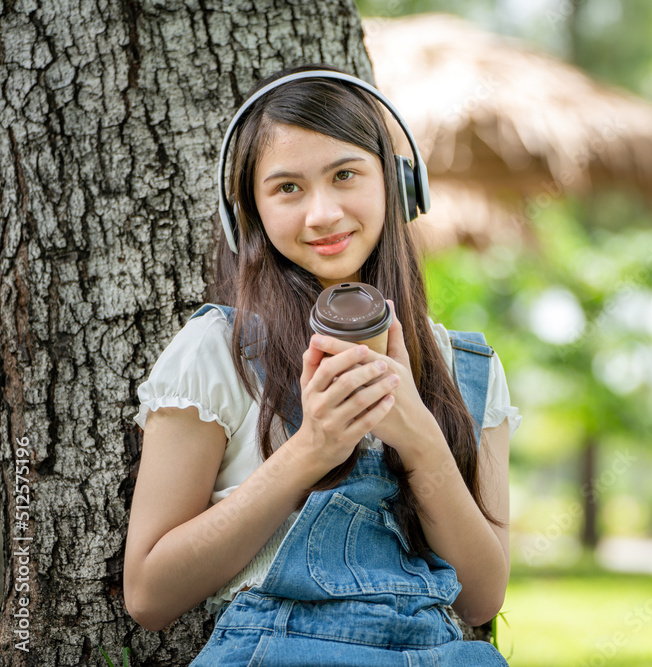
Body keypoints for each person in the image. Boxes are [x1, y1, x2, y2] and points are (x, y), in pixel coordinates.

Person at [123, 64, 517, 666]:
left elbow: (482, 598)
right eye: (287, 188)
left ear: (400, 185)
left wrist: (420, 439)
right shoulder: (216, 352)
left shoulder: (467, 368)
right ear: (247, 214)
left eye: (345, 175)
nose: (323, 214)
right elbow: (149, 593)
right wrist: (312, 449)